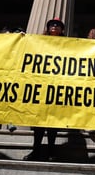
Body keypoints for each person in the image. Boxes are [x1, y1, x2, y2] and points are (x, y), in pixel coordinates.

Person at [23, 18, 65, 161]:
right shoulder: (38, 41)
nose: (55, 26)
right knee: (38, 123)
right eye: (52, 25)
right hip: (40, 87)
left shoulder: (69, 45)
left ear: (61, 30)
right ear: (48, 28)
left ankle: (51, 151)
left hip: (57, 87)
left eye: (58, 25)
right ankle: (36, 150)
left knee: (52, 123)